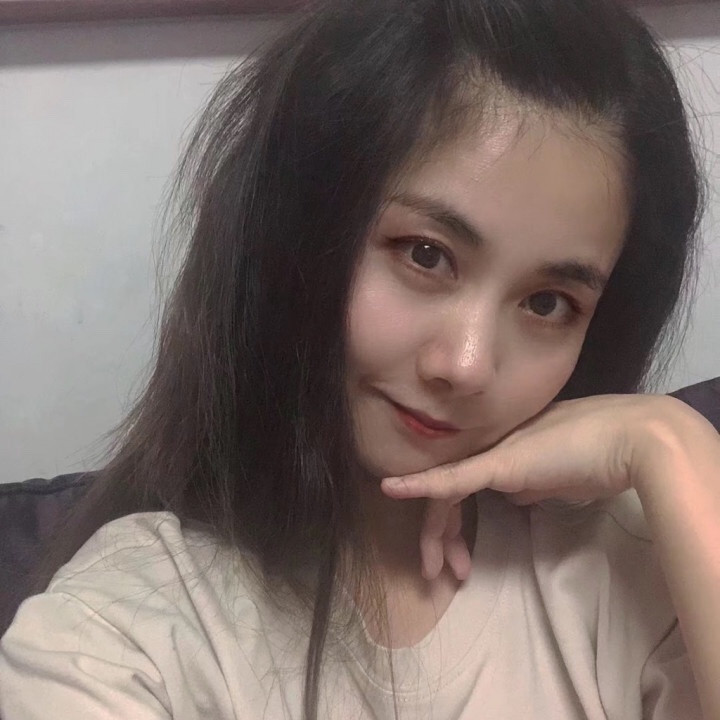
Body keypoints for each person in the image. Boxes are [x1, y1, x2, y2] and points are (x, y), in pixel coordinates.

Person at [0, 0, 718, 717]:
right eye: (425, 255)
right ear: (292, 230)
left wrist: (670, 443)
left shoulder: (646, 557)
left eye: (548, 303)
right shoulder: (120, 640)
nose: (466, 364)